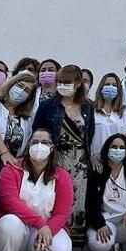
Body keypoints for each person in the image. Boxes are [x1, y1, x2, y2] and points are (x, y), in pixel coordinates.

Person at [0, 129, 74, 251]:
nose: (39, 146)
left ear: (52, 147)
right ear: (28, 146)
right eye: (35, 142)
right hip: (17, 228)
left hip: (44, 229)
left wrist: (48, 229)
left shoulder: (62, 176)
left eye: (45, 142)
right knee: (8, 223)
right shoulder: (11, 169)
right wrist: (39, 223)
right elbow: (9, 202)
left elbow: (62, 213)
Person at [32, 64, 96, 241]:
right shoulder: (48, 106)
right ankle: (51, 236)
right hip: (56, 158)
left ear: (77, 83)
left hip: (80, 162)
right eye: (60, 82)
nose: (62, 85)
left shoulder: (87, 107)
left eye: (67, 82)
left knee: (77, 200)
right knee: (54, 198)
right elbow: (38, 130)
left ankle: (74, 243)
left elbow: (90, 134)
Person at [0, 70, 36, 177]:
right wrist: (4, 153)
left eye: (27, 91)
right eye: (20, 86)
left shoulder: (26, 119)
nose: (21, 91)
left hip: (10, 171)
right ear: (10, 84)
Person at [91, 72, 126, 169]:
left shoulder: (125, 112)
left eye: (114, 85)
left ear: (119, 90)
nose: (110, 87)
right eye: (107, 84)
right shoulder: (92, 110)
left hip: (118, 161)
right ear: (101, 88)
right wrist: (91, 156)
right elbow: (85, 137)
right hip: (97, 162)